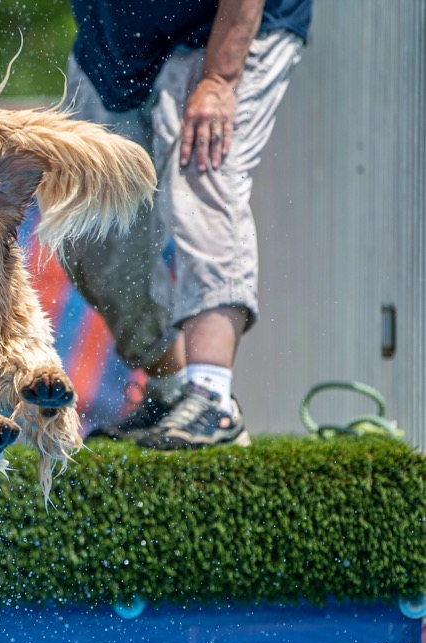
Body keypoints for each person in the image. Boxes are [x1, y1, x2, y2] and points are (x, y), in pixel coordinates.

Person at [61, 0, 312, 449]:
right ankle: (172, 390)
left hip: (222, 28)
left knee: (203, 174)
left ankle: (212, 398)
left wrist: (220, 80)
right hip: (114, 42)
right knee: (88, 228)